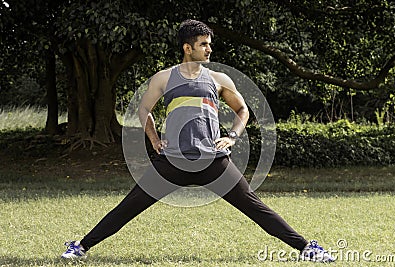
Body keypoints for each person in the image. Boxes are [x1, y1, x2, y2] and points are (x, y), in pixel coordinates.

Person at [61, 19, 334, 263]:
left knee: (256, 207)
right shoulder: (164, 78)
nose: (209, 49)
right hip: (172, 161)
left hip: (213, 161)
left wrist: (232, 136)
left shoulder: (219, 79)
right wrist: (154, 139)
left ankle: (307, 248)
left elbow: (243, 110)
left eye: (209, 44)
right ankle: (80, 247)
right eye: (204, 44)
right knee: (129, 207)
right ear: (187, 48)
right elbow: (143, 110)